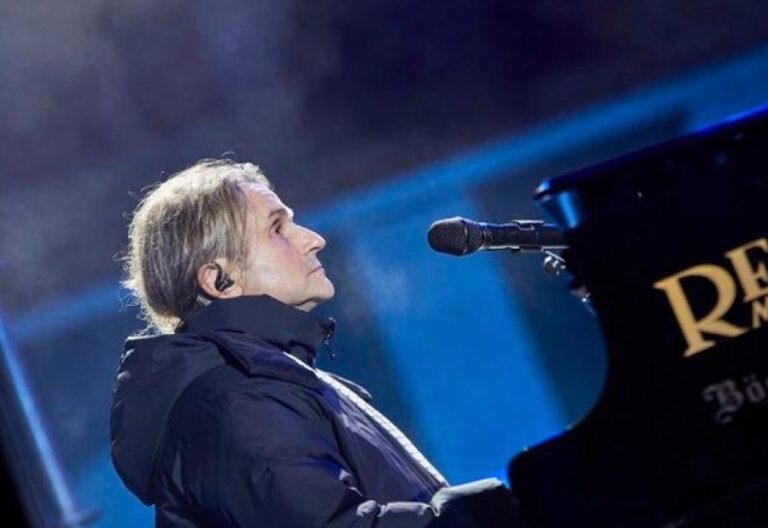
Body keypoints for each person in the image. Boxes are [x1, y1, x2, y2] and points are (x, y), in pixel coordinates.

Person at [110, 159, 526, 527]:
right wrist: (484, 514)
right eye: (278, 228)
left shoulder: (269, 384)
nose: (313, 238)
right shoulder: (233, 404)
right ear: (220, 279)